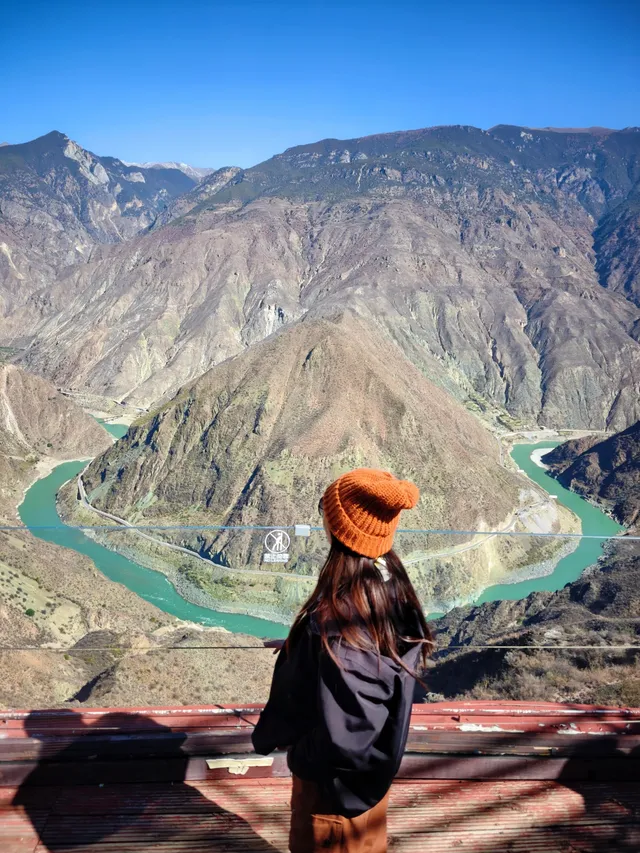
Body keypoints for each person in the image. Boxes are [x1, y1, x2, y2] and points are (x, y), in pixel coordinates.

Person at [252, 468, 434, 853]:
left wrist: (299, 755)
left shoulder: (343, 625)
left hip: (331, 795)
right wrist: (302, 644)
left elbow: (348, 736)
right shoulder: (389, 589)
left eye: (325, 509)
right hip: (366, 788)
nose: (321, 517)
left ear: (341, 527)